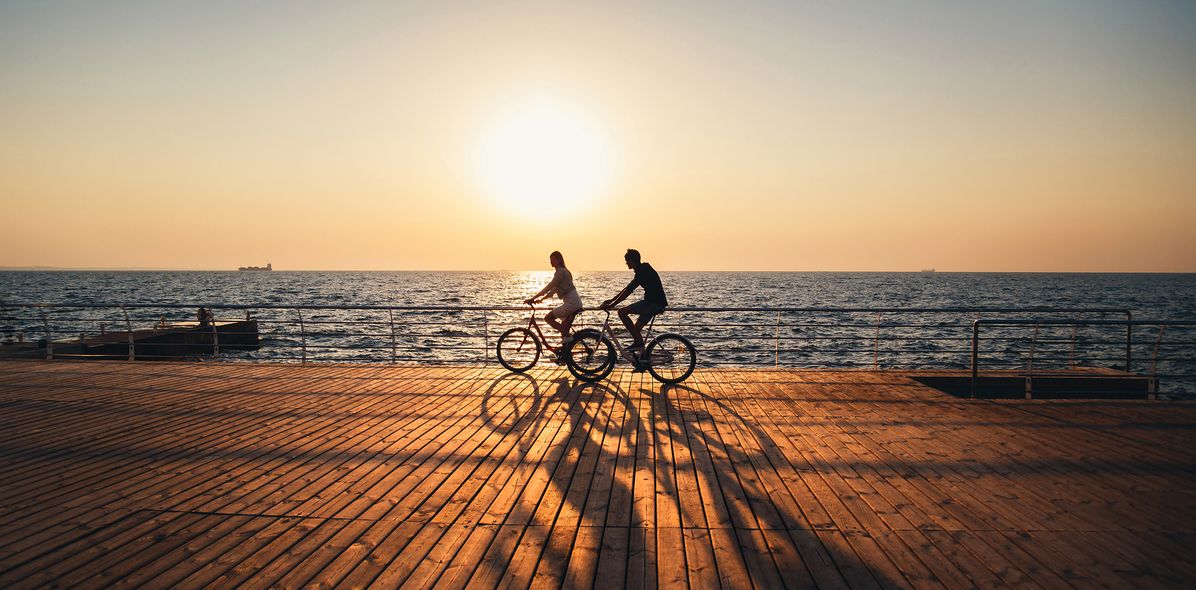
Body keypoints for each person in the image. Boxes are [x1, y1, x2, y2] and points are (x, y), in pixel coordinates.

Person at [600, 249, 667, 364]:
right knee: (636, 330)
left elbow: (628, 291)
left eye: (627, 261)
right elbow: (627, 288)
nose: (626, 263)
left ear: (632, 260)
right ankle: (642, 361)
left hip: (652, 304)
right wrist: (611, 300)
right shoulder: (643, 269)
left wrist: (613, 305)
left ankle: (639, 343)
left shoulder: (642, 271)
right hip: (655, 303)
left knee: (621, 312)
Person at [525, 251, 584, 357]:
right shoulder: (563, 272)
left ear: (559, 260)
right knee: (563, 327)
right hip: (574, 302)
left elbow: (549, 287)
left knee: (548, 318)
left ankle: (568, 336)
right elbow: (554, 289)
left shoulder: (560, 272)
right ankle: (565, 355)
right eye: (550, 259)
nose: (551, 262)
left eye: (553, 259)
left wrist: (533, 298)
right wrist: (542, 299)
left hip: (571, 304)